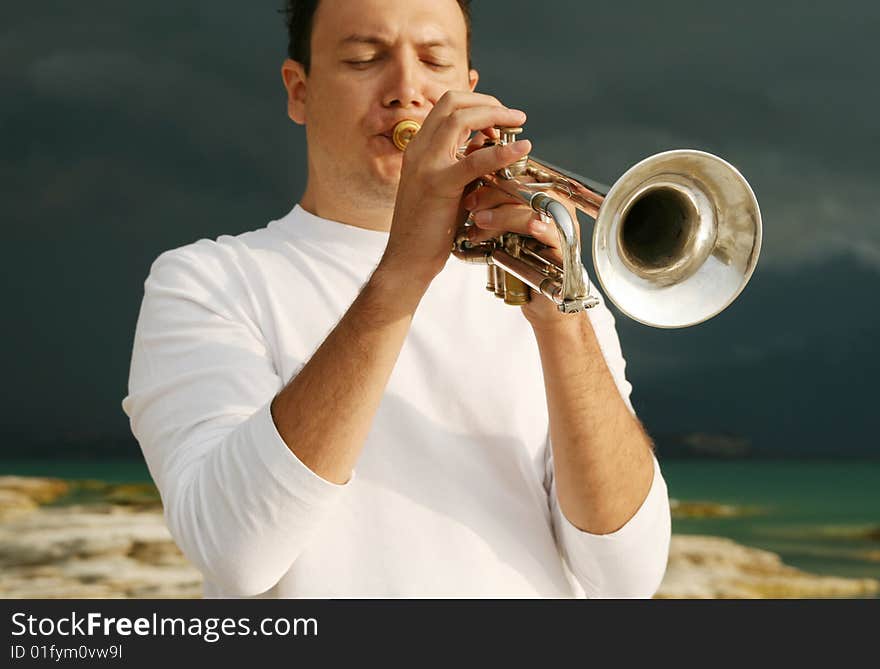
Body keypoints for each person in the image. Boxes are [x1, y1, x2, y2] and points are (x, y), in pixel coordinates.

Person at [121, 0, 671, 598]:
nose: (407, 89)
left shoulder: (556, 289)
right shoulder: (206, 281)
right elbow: (236, 553)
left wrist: (564, 321)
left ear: (469, 91)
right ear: (299, 91)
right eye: (364, 59)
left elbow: (628, 578)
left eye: (435, 61)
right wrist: (404, 271)